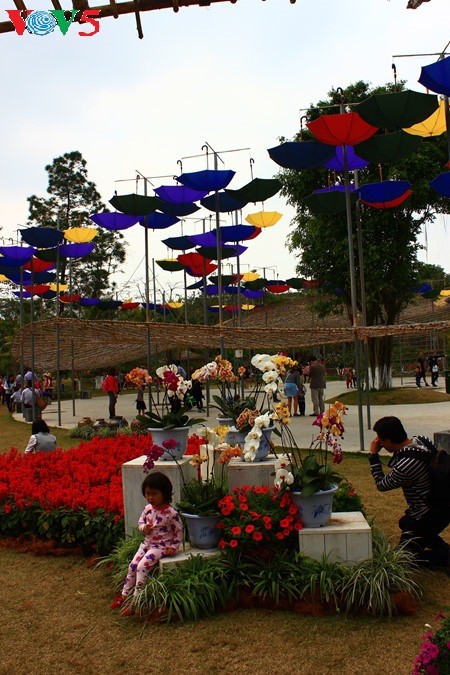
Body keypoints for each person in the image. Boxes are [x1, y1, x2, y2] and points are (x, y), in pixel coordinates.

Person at [369, 416, 450, 568]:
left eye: (380, 440)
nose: (377, 442)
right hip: (439, 507)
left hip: (425, 515)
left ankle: (445, 557)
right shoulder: (421, 440)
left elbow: (381, 485)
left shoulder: (407, 464)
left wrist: (373, 456)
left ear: (387, 442)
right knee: (405, 523)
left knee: (403, 560)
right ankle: (433, 542)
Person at [110, 472, 182, 613]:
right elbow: (140, 522)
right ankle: (124, 595)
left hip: (161, 547)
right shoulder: (148, 509)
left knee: (142, 567)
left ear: (165, 493)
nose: (150, 498)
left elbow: (179, 530)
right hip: (146, 544)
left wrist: (174, 546)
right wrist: (144, 528)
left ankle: (136, 601)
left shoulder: (171, 513)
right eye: (147, 494)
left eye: (154, 494)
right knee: (133, 565)